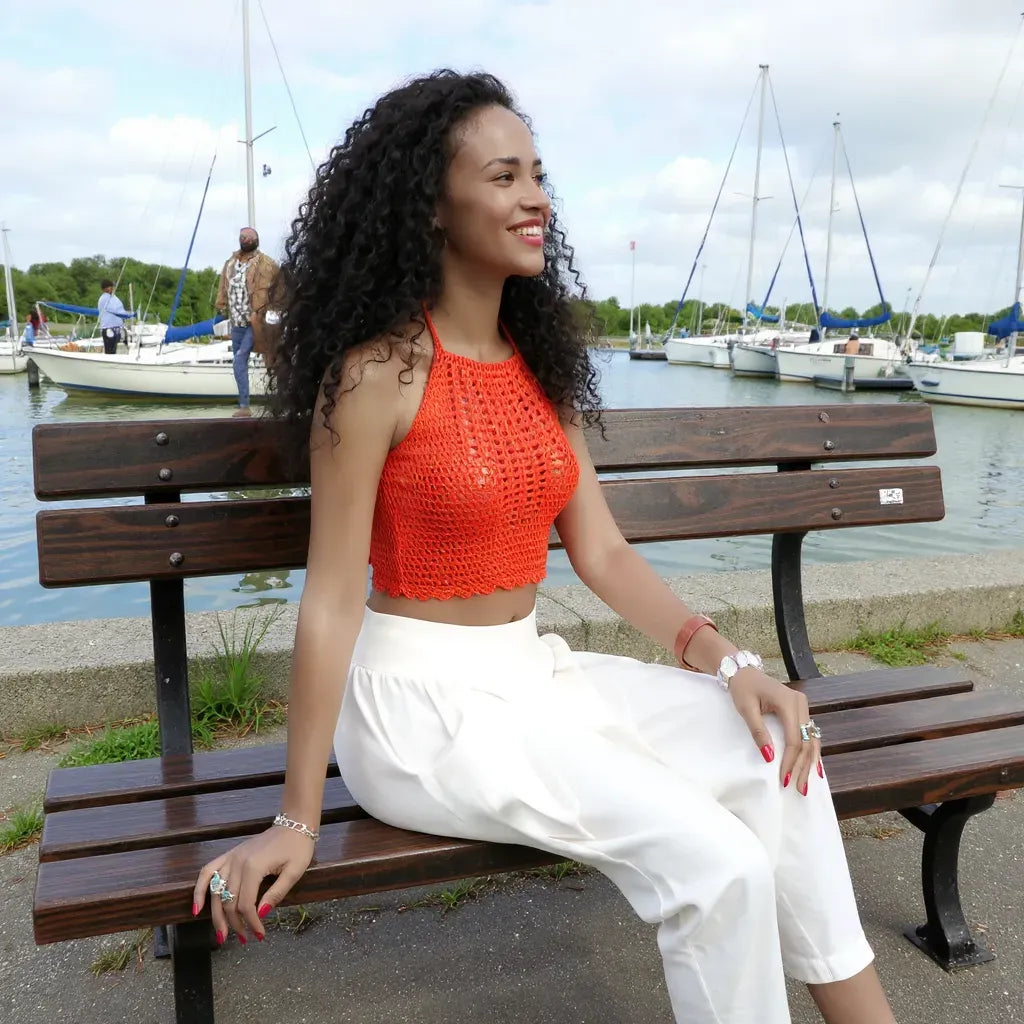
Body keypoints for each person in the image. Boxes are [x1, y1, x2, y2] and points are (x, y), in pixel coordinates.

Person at [192, 72, 896, 1024]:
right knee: (719, 864)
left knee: (779, 752)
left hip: (533, 675)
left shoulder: (539, 370)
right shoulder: (372, 375)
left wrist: (731, 662)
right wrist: (296, 818)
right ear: (431, 205)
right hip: (420, 711)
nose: (535, 198)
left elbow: (601, 553)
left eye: (537, 175)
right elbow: (330, 599)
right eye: (504, 176)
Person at [215, 227, 278, 417]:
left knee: (240, 359)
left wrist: (269, 314)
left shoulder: (266, 264)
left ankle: (274, 401)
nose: (246, 239)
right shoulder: (230, 263)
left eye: (250, 237)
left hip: (255, 321)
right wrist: (220, 306)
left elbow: (277, 289)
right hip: (237, 322)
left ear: (257, 240)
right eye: (243, 236)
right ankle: (245, 406)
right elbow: (223, 287)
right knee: (239, 364)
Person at [97, 279, 128, 354]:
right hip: (108, 329)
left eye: (111, 287)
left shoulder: (114, 298)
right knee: (110, 352)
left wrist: (127, 315)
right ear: (103, 289)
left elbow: (121, 309)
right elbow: (114, 309)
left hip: (118, 328)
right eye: (108, 287)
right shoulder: (104, 298)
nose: (110, 289)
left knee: (118, 351)